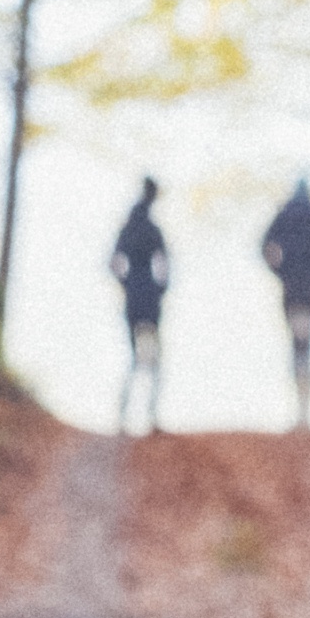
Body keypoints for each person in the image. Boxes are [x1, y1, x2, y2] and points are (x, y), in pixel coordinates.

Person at [261, 178, 310, 428]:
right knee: (303, 345)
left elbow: (265, 247)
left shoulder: (284, 216)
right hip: (306, 290)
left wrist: (282, 270)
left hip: (292, 290)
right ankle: (303, 411)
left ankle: (301, 412)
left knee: (298, 346)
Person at [111, 176, 168, 434]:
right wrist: (159, 288)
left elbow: (113, 262)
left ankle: (123, 418)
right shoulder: (152, 230)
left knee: (134, 358)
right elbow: (165, 264)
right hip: (149, 299)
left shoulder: (129, 228)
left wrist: (127, 284)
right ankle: (150, 417)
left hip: (133, 297)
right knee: (153, 358)